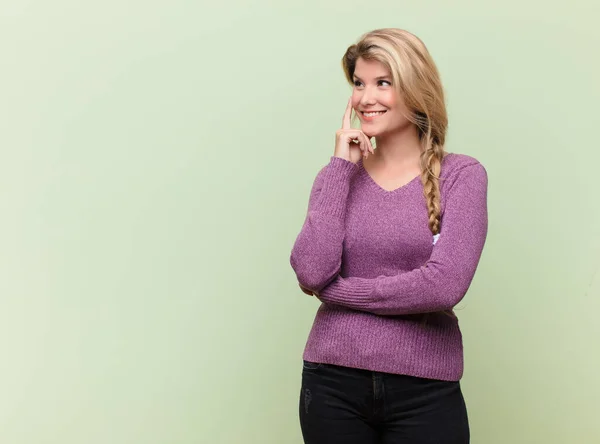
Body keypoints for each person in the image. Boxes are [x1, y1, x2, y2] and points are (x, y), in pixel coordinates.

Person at [289, 28, 488, 444]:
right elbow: (310, 271)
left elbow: (444, 285)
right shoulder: (336, 177)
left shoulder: (461, 176)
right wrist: (341, 169)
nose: (365, 98)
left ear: (416, 90)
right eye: (358, 84)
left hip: (426, 390)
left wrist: (340, 292)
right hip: (331, 384)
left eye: (384, 83)